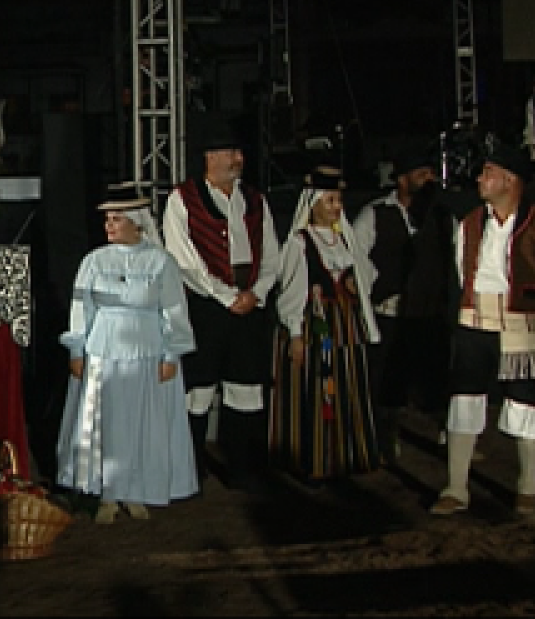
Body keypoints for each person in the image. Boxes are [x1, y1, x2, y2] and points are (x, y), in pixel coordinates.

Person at [430, 139, 535, 516]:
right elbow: (465, 273)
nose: (480, 179)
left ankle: (528, 483)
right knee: (464, 398)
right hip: (474, 322)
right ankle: (456, 487)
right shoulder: (468, 225)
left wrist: (534, 315)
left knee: (525, 400)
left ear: (510, 181)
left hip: (518, 325)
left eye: (488, 173)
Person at [57, 184, 197, 523]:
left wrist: (171, 354)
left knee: (141, 421)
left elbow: (174, 311)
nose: (109, 226)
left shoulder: (160, 262)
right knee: (106, 420)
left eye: (116, 220)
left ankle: (137, 490)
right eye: (107, 220)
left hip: (146, 350)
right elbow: (81, 307)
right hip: (104, 349)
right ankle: (108, 493)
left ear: (136, 222)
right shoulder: (94, 262)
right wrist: (77, 348)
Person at [162, 113, 282, 497]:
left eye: (239, 152)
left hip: (249, 306)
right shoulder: (183, 200)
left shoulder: (255, 201)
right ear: (210, 157)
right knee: (197, 391)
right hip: (206, 308)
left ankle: (244, 469)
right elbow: (184, 262)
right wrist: (227, 296)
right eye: (231, 152)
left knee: (246, 389)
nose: (238, 159)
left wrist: (256, 293)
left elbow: (272, 256)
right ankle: (190, 470)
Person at [269, 165, 383, 483]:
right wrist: (295, 334)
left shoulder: (344, 241)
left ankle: (347, 453)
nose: (336, 207)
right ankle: (317, 457)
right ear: (313, 203)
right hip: (318, 327)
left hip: (345, 327)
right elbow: (291, 291)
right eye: (329, 200)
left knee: (346, 387)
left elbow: (365, 276)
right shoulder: (299, 243)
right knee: (322, 386)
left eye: (338, 201)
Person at [352, 143, 461, 461]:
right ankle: (386, 440)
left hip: (428, 312)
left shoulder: (443, 218)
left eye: (431, 174)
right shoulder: (375, 215)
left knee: (437, 379)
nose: (428, 180)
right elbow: (358, 261)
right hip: (390, 313)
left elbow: (456, 261)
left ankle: (450, 438)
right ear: (402, 179)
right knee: (388, 383)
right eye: (421, 174)